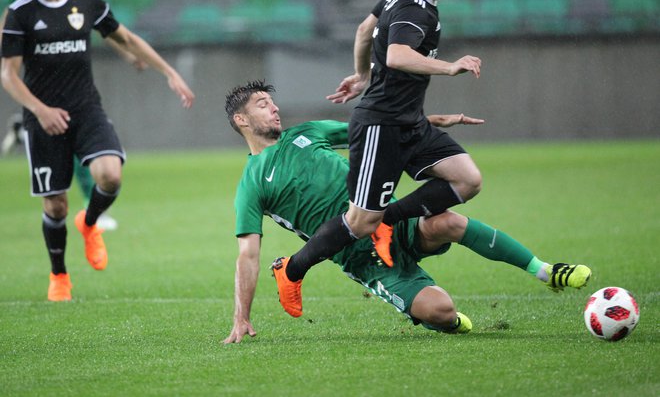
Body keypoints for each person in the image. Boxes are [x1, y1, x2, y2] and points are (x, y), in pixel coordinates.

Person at [223, 81, 591, 342]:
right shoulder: (252, 183)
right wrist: (242, 317)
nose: (273, 107)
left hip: (393, 221)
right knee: (443, 313)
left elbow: (375, 129)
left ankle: (545, 271)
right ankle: (433, 318)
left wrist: (429, 122)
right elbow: (247, 254)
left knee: (448, 221)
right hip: (362, 257)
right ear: (241, 121)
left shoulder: (307, 132)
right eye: (261, 104)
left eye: (271, 102)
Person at [270, 0, 489, 316]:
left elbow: (362, 30)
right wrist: (449, 66)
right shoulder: (413, 10)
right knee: (359, 221)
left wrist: (360, 75)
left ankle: (388, 219)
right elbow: (399, 55)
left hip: (410, 123)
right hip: (381, 126)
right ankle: (292, 268)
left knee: (467, 179)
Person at [1, 0, 195, 301]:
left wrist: (168, 71)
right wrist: (40, 110)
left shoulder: (86, 0)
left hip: (86, 108)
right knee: (55, 204)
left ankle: (89, 224)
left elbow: (126, 38)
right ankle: (59, 275)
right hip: (43, 118)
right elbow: (8, 75)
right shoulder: (20, 12)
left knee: (110, 175)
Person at [0, 0, 146, 231]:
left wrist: (129, 54)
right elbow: (9, 21)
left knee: (92, 148)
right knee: (64, 165)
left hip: (79, 70)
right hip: (43, 75)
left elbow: (107, 27)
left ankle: (90, 211)